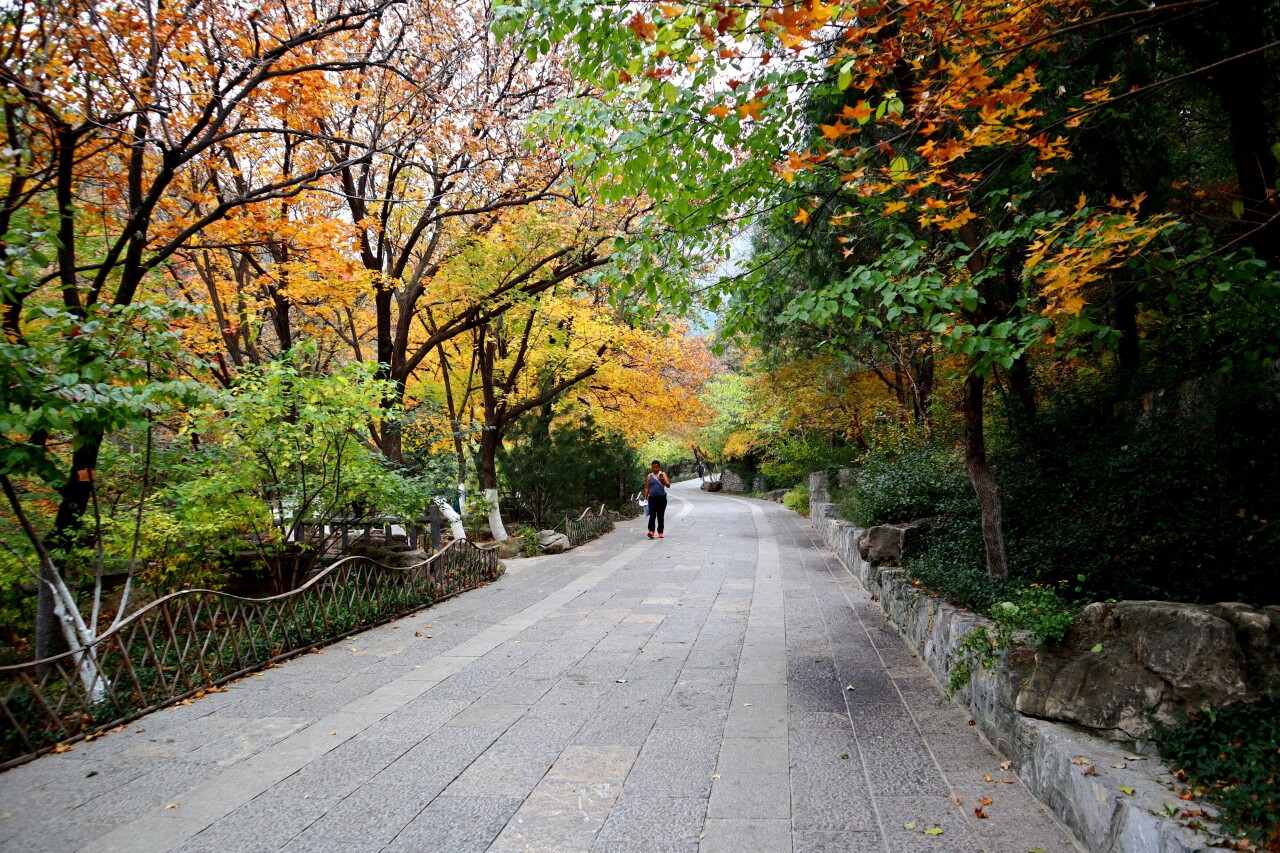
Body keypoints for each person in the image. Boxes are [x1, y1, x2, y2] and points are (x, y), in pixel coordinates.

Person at [644, 459, 671, 539]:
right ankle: (651, 531)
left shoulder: (663, 474)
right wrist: (645, 498)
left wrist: (663, 481)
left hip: (661, 499)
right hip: (652, 499)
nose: (654, 469)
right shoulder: (649, 476)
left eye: (656, 467)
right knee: (652, 515)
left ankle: (660, 532)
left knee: (660, 515)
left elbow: (668, 485)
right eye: (653, 467)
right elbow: (647, 488)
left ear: (659, 467)